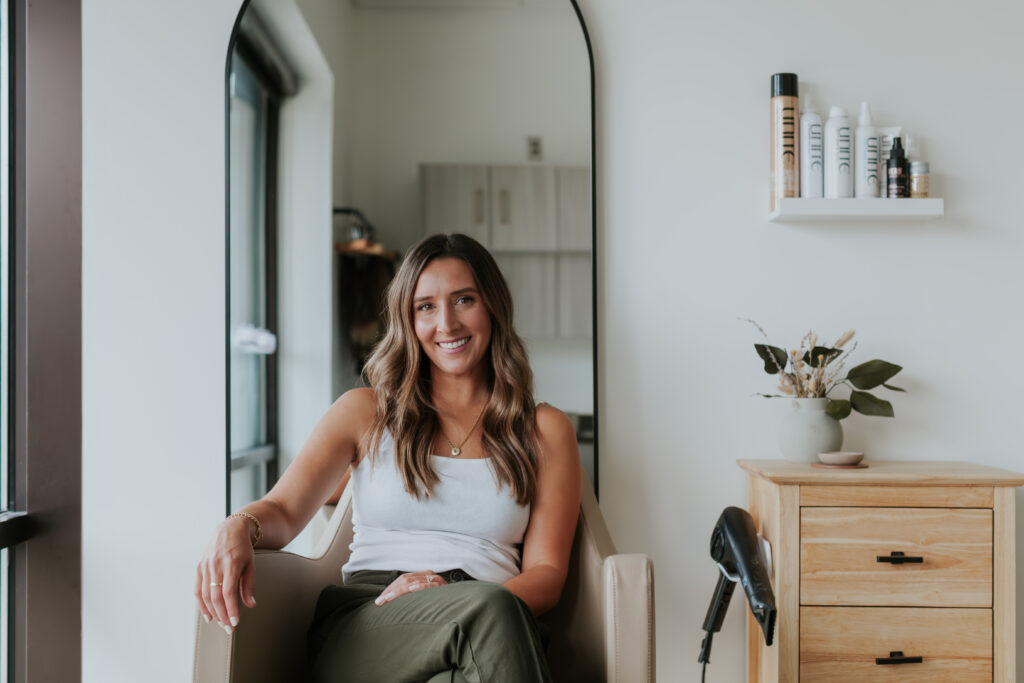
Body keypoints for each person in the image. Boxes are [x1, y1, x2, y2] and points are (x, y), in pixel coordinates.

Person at [196, 233, 582, 682]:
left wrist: (455, 597)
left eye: (464, 300)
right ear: (408, 320)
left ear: (492, 306)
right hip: (372, 619)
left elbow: (548, 574)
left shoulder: (544, 429)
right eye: (426, 307)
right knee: (493, 616)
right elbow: (283, 510)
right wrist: (236, 525)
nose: (447, 324)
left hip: (494, 617)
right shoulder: (365, 412)